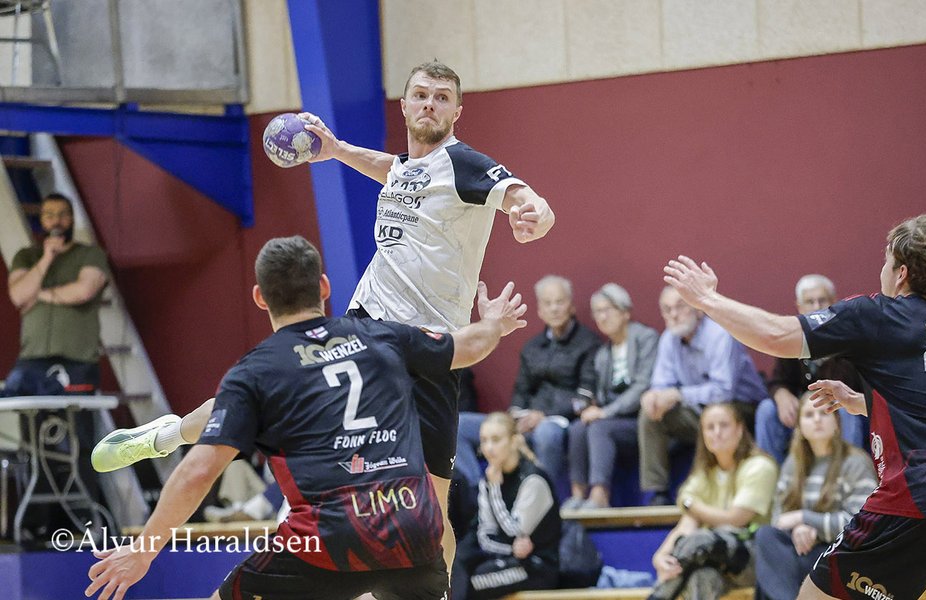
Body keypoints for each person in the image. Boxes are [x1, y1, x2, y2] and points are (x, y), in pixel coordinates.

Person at [90, 60, 555, 574]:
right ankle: (165, 436)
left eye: (442, 97)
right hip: (364, 327)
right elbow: (394, 170)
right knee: (260, 396)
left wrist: (534, 214)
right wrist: (336, 150)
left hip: (429, 351)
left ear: (457, 111)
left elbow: (525, 197)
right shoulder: (409, 168)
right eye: (421, 94)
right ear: (404, 105)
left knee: (433, 515)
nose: (430, 104)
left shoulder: (464, 164)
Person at [84, 236, 528, 600]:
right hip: (412, 538)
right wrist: (496, 322)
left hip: (327, 541)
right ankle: (165, 433)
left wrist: (144, 550)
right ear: (324, 286)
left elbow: (199, 471)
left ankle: (167, 434)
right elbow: (468, 346)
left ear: (259, 297)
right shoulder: (382, 336)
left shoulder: (255, 370)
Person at [663, 212, 926, 599]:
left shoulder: (879, 313)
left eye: (885, 261)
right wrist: (862, 403)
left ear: (901, 273)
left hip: (919, 496)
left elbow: (776, 335)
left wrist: (707, 300)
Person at [4, 192, 110, 537]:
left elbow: (83, 291)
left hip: (76, 362)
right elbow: (18, 296)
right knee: (35, 445)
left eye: (62, 214)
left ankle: (84, 522)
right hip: (32, 362)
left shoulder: (89, 254)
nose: (56, 221)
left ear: (71, 218)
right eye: (49, 214)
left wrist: (40, 294)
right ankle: (42, 524)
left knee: (79, 444)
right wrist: (46, 260)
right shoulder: (28, 255)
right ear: (41, 220)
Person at [455, 275, 600, 491]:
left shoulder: (589, 343)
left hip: (561, 421)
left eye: (559, 302)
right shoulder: (532, 347)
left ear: (571, 306)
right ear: (539, 310)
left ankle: (544, 497)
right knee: (461, 425)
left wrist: (543, 415)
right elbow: (520, 391)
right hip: (526, 418)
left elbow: (585, 398)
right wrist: (517, 416)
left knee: (546, 433)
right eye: (547, 303)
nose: (554, 308)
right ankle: (476, 493)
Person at [638, 286, 767, 506]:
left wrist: (678, 394)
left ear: (698, 309)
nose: (674, 315)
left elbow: (723, 391)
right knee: (650, 415)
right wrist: (653, 396)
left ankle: (715, 492)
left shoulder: (720, 334)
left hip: (741, 407)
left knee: (714, 414)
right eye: (667, 310)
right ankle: (657, 493)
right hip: (699, 408)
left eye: (680, 307)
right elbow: (661, 383)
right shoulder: (669, 339)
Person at [648, 403, 778, 600]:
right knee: (701, 576)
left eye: (723, 425)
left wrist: (691, 505)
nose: (717, 432)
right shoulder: (704, 474)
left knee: (701, 539)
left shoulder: (760, 466)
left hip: (756, 558)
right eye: (710, 427)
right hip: (713, 560)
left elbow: (736, 519)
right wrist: (660, 557)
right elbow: (687, 524)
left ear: (739, 429)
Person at [754, 394, 877, 600]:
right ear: (799, 426)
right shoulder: (794, 463)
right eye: (809, 415)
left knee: (771, 574)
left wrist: (807, 520)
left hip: (840, 555)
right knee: (766, 536)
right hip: (803, 550)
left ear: (837, 422)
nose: (817, 420)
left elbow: (863, 525)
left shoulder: (855, 462)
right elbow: (779, 518)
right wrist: (798, 529)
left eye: (824, 413)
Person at [564, 283, 659, 510]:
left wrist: (605, 412)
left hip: (642, 419)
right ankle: (578, 495)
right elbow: (601, 395)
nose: (602, 317)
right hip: (614, 419)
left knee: (599, 427)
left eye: (607, 310)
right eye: (597, 312)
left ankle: (600, 495)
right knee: (578, 428)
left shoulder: (646, 338)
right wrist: (591, 406)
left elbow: (643, 386)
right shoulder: (603, 353)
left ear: (625, 312)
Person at [756, 274, 869, 462]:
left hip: (843, 408)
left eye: (822, 300)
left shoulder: (849, 335)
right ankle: (772, 474)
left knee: (844, 411)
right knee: (766, 410)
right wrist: (781, 394)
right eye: (810, 302)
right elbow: (778, 380)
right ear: (799, 307)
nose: (817, 307)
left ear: (834, 302)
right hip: (805, 412)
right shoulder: (793, 336)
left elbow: (853, 386)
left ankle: (848, 471)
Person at [453, 412, 561, 600]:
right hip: (506, 559)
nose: (489, 448)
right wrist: (510, 550)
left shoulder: (534, 480)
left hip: (537, 566)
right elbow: (485, 533)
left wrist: (494, 489)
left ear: (513, 441)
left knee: (469, 584)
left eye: (496, 440)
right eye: (484, 441)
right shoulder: (489, 478)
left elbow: (513, 532)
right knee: (457, 572)